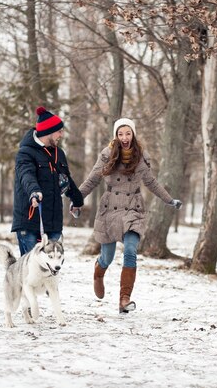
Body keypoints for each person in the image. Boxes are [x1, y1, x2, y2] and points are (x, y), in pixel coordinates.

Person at [75, 117, 182, 313]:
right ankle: (98, 273)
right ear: (116, 136)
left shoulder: (141, 157)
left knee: (131, 251)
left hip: (133, 208)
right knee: (107, 257)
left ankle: (124, 300)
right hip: (110, 210)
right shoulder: (107, 156)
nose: (124, 137)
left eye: (128, 133)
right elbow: (92, 180)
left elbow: (151, 183)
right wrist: (77, 199)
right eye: (120, 133)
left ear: (133, 135)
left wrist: (169, 200)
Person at [11, 106, 84, 256]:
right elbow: (26, 175)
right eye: (59, 131)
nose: (61, 135)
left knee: (51, 270)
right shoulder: (25, 153)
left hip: (53, 223)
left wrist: (77, 201)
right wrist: (34, 191)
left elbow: (66, 180)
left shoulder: (59, 153)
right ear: (48, 132)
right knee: (31, 271)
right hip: (30, 220)